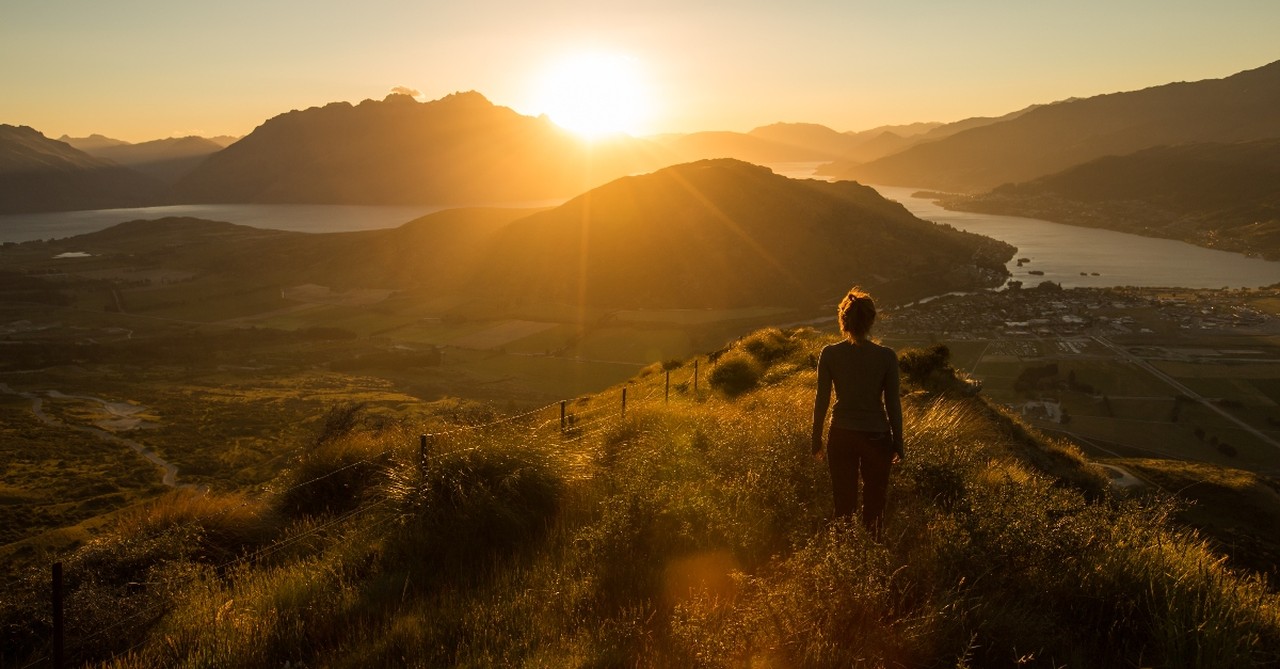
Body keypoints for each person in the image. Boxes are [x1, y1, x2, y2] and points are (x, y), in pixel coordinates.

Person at [812, 287, 903, 537]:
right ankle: (870, 556)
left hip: (841, 434)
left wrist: (815, 440)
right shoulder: (886, 357)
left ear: (843, 319)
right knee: (875, 504)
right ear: (871, 320)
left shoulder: (830, 354)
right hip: (877, 437)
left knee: (843, 503)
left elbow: (822, 400)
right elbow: (893, 403)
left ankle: (844, 556)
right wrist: (899, 443)